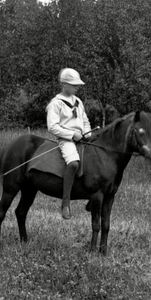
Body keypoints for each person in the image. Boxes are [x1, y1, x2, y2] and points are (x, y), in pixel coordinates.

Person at [46, 67, 91, 219]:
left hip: (82, 138)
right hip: (66, 139)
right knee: (73, 164)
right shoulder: (56, 103)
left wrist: (88, 134)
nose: (77, 87)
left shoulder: (78, 101)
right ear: (64, 84)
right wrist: (72, 135)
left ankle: (93, 196)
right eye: (74, 85)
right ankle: (65, 203)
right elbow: (52, 127)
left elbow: (85, 121)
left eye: (77, 85)